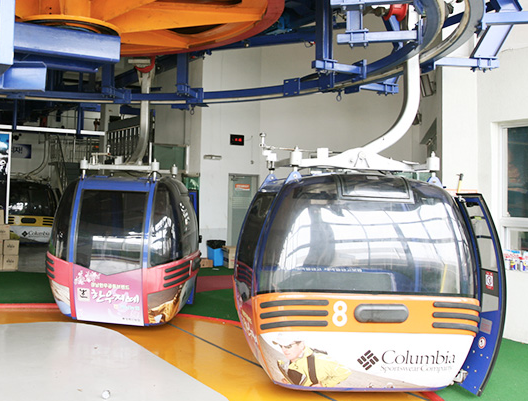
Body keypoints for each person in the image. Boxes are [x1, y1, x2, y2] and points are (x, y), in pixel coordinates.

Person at [272, 333, 351, 388]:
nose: (284, 350)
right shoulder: (287, 361)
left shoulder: (320, 361)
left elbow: (345, 372)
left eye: (288, 346)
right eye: (281, 346)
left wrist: (324, 385)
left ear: (301, 345)